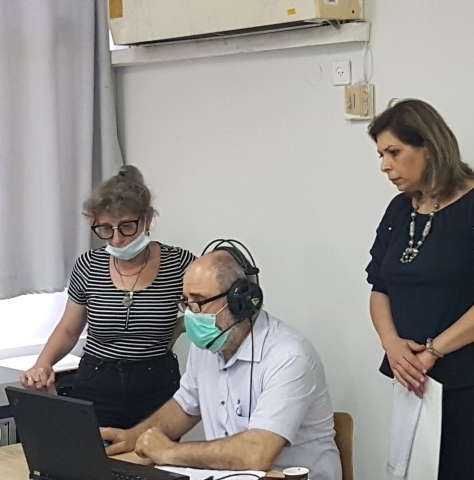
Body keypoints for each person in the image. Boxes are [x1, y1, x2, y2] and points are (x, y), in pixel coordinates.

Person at [365, 99, 474, 479]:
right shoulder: (399, 210)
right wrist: (391, 343)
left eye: (394, 152)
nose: (385, 165)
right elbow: (379, 286)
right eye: (381, 155)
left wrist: (433, 351)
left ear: (428, 147)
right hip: (413, 383)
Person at [101, 240, 341, 480]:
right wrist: (135, 436)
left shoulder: (289, 356)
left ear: (240, 301)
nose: (191, 314)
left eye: (199, 301)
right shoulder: (208, 346)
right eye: (186, 302)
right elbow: (184, 407)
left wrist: (169, 451)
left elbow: (257, 453)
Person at [20, 165, 195, 428]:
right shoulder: (89, 265)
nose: (117, 239)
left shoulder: (179, 263)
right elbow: (68, 329)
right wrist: (43, 363)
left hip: (156, 384)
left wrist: (181, 325)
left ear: (147, 219)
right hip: (97, 382)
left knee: (155, 452)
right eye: (105, 229)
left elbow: (210, 307)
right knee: (95, 451)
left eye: (127, 227)